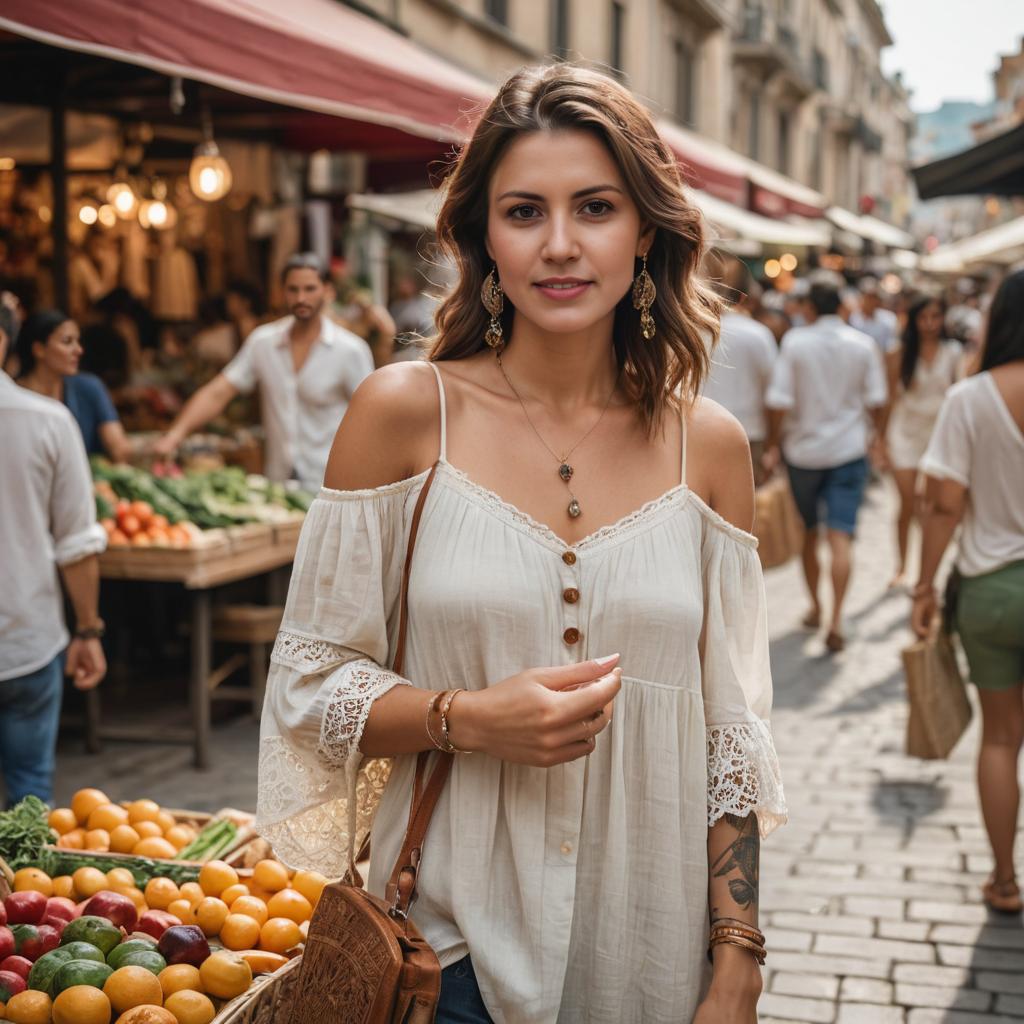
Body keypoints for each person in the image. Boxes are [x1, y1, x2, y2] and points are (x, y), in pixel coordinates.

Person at [256, 63, 786, 1024]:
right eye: (524, 211)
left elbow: (730, 735)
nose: (560, 245)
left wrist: (738, 956)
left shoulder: (707, 447)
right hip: (450, 954)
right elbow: (305, 686)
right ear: (482, 237)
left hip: (652, 959)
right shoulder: (407, 414)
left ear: (646, 229)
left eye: (594, 207)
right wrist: (463, 716)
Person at [912, 269, 1024, 914]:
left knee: (1003, 736)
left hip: (991, 589)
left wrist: (925, 586)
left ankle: (1004, 879)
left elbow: (944, 505)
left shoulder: (971, 398)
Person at [0, 303, 108, 806]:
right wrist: (88, 629)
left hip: (30, 639)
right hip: (26, 636)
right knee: (27, 797)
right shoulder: (47, 420)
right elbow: (76, 541)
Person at [153, 253, 374, 491]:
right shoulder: (263, 342)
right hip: (279, 486)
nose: (301, 298)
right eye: (293, 289)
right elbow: (219, 391)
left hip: (332, 486)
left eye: (310, 289)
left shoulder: (351, 350)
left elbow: (374, 418)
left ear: (328, 290)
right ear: (282, 292)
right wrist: (174, 435)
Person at [765, 280, 888, 652]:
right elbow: (878, 399)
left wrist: (773, 444)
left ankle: (817, 608)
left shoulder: (796, 343)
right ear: (842, 307)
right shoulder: (862, 344)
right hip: (849, 451)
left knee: (808, 534)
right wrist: (876, 437)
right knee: (840, 537)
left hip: (804, 453)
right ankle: (836, 618)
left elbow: (779, 400)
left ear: (810, 308)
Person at [883, 294, 962, 586]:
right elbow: (888, 401)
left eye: (935, 317)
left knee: (928, 506)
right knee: (907, 503)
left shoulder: (953, 353)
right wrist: (879, 441)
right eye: (923, 317)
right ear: (914, 320)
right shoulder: (899, 353)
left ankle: (924, 571)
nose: (929, 324)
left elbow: (958, 395)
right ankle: (903, 565)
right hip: (903, 435)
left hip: (938, 438)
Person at [16, 309, 131, 462]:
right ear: (39, 349)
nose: (78, 350)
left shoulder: (89, 388)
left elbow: (118, 448)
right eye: (67, 341)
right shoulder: (14, 397)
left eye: (78, 341)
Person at [702, 254, 777, 485]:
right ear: (747, 298)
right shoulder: (758, 335)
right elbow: (773, 394)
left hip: (699, 432)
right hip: (748, 433)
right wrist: (773, 443)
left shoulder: (695, 331)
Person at [850, 276, 899, 354]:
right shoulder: (852, 318)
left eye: (874, 297)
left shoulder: (889, 318)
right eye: (868, 297)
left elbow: (893, 344)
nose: (871, 301)